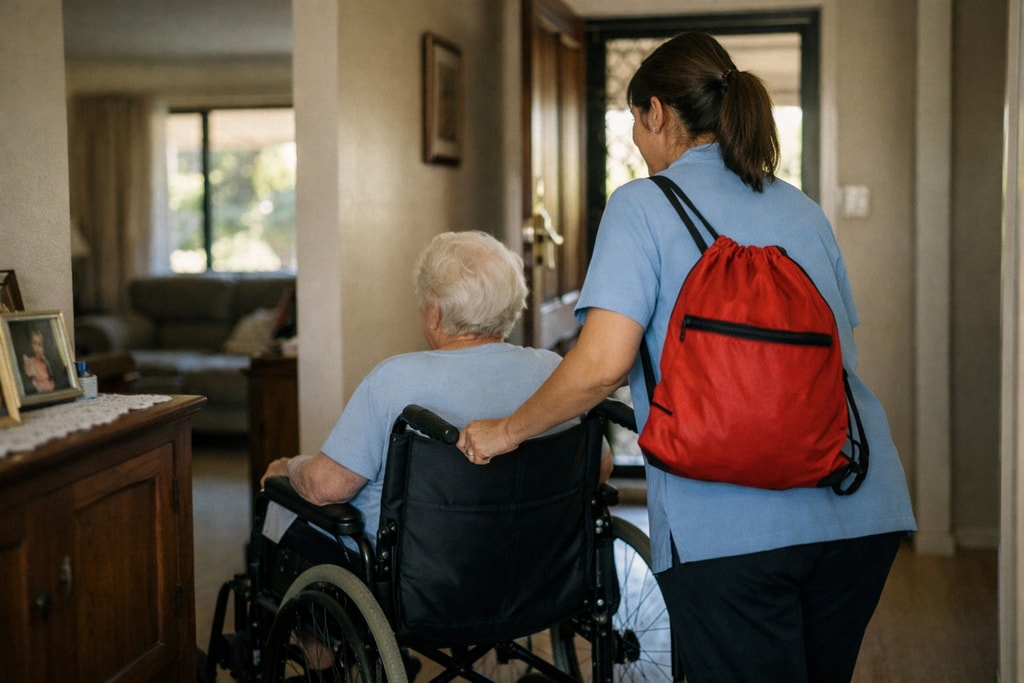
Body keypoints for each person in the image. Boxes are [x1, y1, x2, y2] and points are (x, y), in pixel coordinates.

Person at [459, 32, 916, 683]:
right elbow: (838, 354)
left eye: (633, 121)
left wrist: (505, 431)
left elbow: (601, 365)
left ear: (656, 112)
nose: (636, 141)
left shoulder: (640, 204)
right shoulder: (801, 207)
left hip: (730, 531)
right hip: (860, 505)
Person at [260, 230, 605, 548]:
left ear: (435, 313)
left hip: (410, 572)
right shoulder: (556, 373)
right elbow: (600, 467)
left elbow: (327, 488)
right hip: (536, 561)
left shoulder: (394, 380)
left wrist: (289, 467)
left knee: (281, 502)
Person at [22, 327, 57, 393]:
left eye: (40, 345)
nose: (36, 348)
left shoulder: (47, 363)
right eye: (34, 343)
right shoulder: (29, 362)